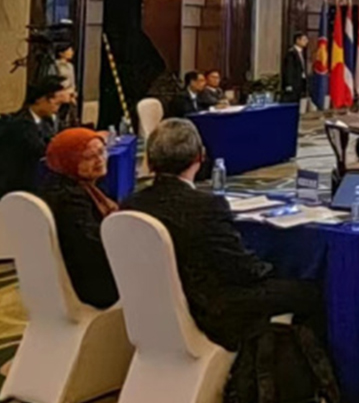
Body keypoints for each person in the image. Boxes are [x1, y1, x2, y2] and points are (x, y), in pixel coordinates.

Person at [122, 119, 323, 352]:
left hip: (156, 307)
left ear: (149, 160)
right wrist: (275, 268)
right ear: (200, 157)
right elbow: (241, 269)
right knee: (311, 293)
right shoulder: (206, 207)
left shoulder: (131, 204)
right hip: (212, 309)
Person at [36, 128, 119, 308]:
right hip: (89, 284)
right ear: (68, 161)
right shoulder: (69, 199)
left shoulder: (75, 185)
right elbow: (92, 246)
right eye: (89, 157)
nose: (99, 160)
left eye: (102, 152)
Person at [0, 76, 68, 203]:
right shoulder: (20, 125)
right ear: (40, 100)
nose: (57, 109)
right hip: (13, 186)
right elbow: (40, 150)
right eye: (57, 103)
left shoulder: (45, 121)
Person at [282, 32, 310, 102]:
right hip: (294, 84)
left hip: (301, 83)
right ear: (298, 40)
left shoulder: (302, 53)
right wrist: (289, 84)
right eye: (304, 40)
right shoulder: (291, 53)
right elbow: (289, 69)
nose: (306, 42)